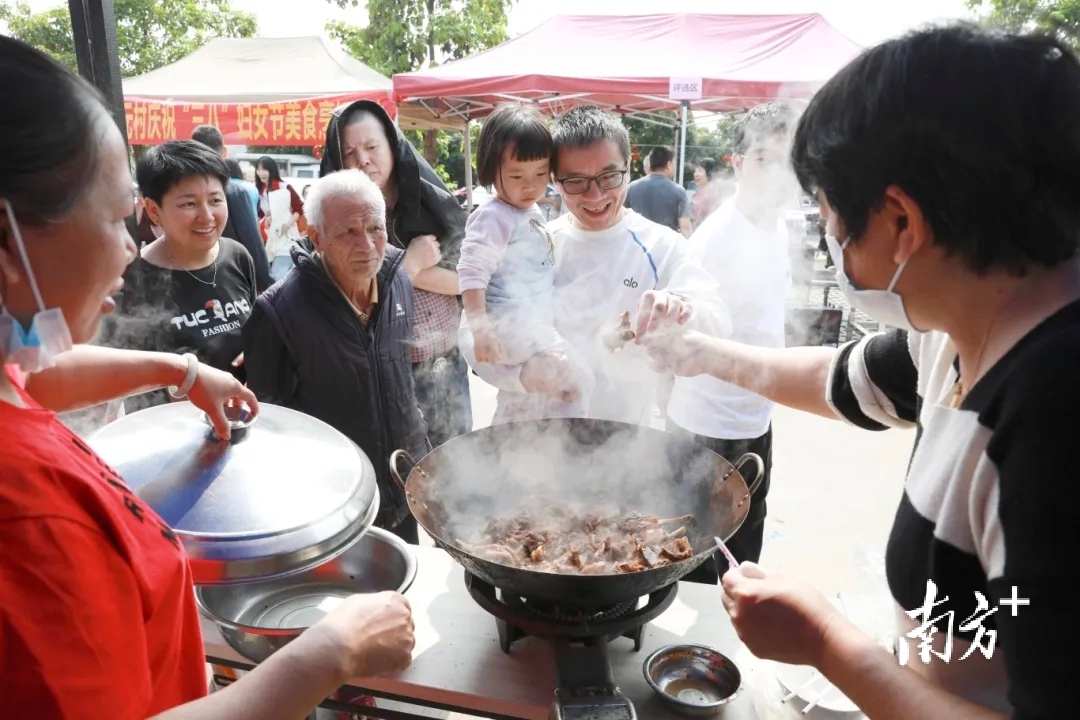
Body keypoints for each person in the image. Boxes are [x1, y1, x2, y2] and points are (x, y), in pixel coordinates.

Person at [645, 25, 1076, 719]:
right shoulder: (961, 329)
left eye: (831, 220)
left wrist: (823, 641)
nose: (830, 242)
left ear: (901, 221)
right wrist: (697, 354)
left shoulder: (1053, 417)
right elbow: (845, 381)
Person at [0, 36, 414, 719]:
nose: (130, 247)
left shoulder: (14, 382)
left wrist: (183, 369)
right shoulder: (28, 515)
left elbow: (34, 370)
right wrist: (327, 651)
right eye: (115, 217)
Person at [460, 105, 730, 425]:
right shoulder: (538, 241)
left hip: (619, 440)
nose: (595, 194)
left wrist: (682, 312)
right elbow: (471, 330)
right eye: (575, 181)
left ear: (629, 169)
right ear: (555, 181)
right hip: (522, 434)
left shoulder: (661, 248)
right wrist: (522, 375)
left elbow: (718, 322)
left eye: (609, 176)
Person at [243, 170, 429, 544]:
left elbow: (404, 379)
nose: (367, 246)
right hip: (332, 505)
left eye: (375, 228)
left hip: (402, 486)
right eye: (347, 232)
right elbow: (271, 428)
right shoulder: (278, 312)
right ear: (317, 238)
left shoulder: (398, 280)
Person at [667, 102, 801, 584]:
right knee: (695, 560)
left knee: (745, 553)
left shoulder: (782, 225)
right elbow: (685, 333)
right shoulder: (715, 239)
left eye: (788, 160)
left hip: (755, 417)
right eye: (764, 158)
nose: (777, 174)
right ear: (737, 163)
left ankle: (725, 649)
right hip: (705, 427)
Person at [321, 99, 472, 448]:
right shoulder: (336, 224)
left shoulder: (431, 203)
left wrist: (410, 272)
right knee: (407, 474)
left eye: (372, 146)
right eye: (349, 153)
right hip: (389, 376)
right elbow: (353, 298)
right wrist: (410, 266)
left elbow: (470, 278)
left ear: (393, 145)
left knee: (461, 469)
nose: (363, 160)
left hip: (448, 366)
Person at [100, 141, 257, 414]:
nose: (206, 216)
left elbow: (257, 333)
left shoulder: (238, 256)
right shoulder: (130, 279)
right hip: (169, 436)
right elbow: (116, 374)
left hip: (243, 421)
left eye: (215, 200)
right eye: (189, 203)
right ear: (153, 210)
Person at [458, 103, 592, 419]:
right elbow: (471, 272)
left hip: (531, 324)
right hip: (510, 324)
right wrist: (481, 331)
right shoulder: (493, 216)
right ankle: (572, 444)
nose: (530, 185)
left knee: (528, 399)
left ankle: (511, 445)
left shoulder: (527, 211)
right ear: (492, 170)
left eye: (541, 173)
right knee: (576, 380)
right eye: (516, 175)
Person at [191, 125, 272, 292]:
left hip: (193, 281)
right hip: (232, 282)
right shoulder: (233, 191)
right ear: (224, 153)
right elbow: (252, 243)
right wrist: (267, 284)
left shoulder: (181, 191)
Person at [255, 156, 305, 283]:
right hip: (267, 236)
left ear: (271, 170)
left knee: (281, 272)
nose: (261, 173)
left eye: (264, 169)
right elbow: (259, 214)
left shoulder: (284, 187)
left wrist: (288, 224)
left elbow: (299, 208)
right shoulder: (258, 192)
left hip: (285, 234)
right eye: (258, 169)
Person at [624, 145, 692, 237]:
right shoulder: (679, 192)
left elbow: (621, 220)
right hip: (666, 247)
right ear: (669, 164)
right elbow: (686, 230)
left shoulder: (631, 188)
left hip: (637, 245)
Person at [690, 157, 723, 228]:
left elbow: (697, 219)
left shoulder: (709, 193)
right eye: (695, 171)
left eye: (700, 171)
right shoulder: (706, 190)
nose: (696, 174)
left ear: (709, 173)